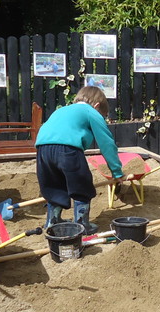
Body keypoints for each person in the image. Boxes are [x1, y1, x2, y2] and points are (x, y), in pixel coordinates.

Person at [35, 86, 124, 234]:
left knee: (54, 186)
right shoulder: (91, 111)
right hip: (68, 150)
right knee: (81, 185)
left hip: (42, 150)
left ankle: (52, 222)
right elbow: (106, 143)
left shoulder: (61, 110)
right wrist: (116, 171)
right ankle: (81, 225)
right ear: (97, 106)